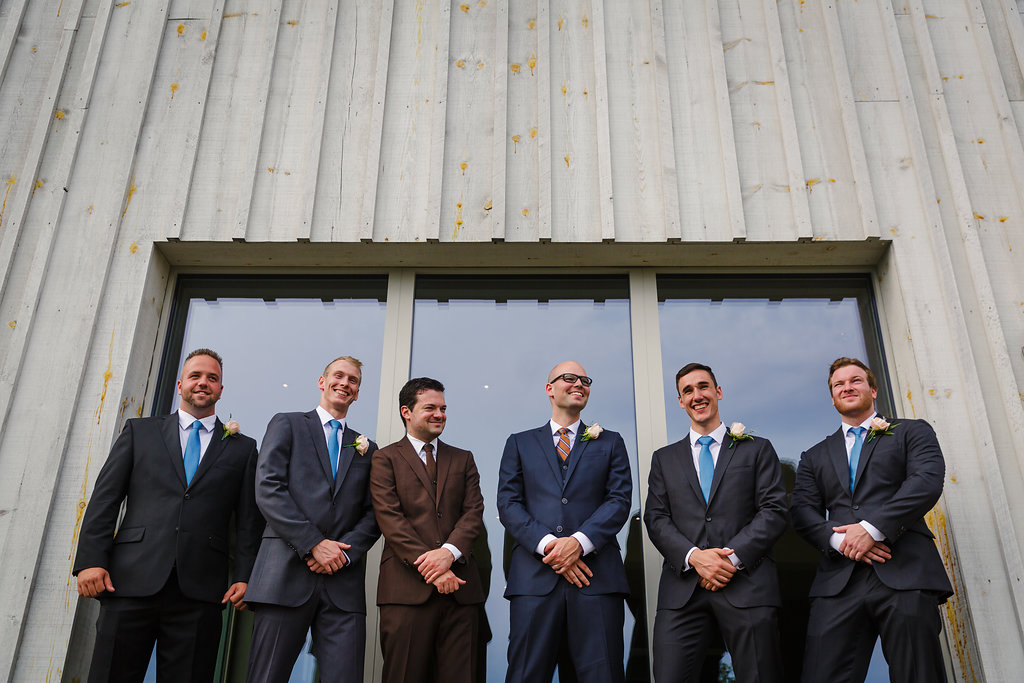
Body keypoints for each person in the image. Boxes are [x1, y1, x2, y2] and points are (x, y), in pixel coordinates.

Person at [73, 348, 262, 683]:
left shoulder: (243, 448)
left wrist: (244, 575)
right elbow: (105, 500)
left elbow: (248, 521)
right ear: (180, 385)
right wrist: (90, 559)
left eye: (212, 378)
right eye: (196, 376)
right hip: (129, 582)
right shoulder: (139, 432)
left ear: (220, 389)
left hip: (200, 591)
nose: (203, 382)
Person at [791, 357, 953, 682]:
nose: (847, 387)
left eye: (856, 381)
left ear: (873, 389)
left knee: (917, 675)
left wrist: (871, 529)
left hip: (904, 569)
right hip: (838, 582)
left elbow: (925, 482)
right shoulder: (814, 456)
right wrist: (844, 541)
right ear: (832, 396)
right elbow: (802, 513)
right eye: (839, 384)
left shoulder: (912, 431)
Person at [644, 362, 787, 682]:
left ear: (718, 391)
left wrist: (729, 559)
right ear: (680, 401)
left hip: (747, 586)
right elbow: (655, 518)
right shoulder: (664, 459)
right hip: (682, 592)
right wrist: (696, 558)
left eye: (703, 386)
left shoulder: (757, 449)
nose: (697, 395)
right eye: (688, 391)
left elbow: (774, 510)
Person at [245, 356, 379, 683]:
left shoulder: (368, 448)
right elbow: (268, 489)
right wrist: (314, 544)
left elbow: (374, 513)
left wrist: (345, 553)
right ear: (322, 382)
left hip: (342, 587)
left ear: (358, 393)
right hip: (284, 577)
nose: (345, 383)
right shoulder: (287, 423)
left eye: (353, 380)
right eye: (338, 376)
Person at [497, 360, 632, 683]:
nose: (579, 384)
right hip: (534, 583)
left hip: (596, 581)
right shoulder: (520, 443)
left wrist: (579, 543)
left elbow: (619, 500)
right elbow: (508, 504)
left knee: (602, 676)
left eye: (585, 380)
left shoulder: (610, 442)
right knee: (526, 675)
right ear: (549, 389)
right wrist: (551, 547)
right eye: (569, 378)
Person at [370, 377, 486, 683]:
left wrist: (448, 554)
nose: (440, 414)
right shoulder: (385, 459)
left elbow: (474, 512)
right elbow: (390, 518)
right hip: (405, 592)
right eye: (430, 407)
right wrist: (432, 567)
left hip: (460, 592)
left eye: (443, 408)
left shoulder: (464, 459)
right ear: (406, 411)